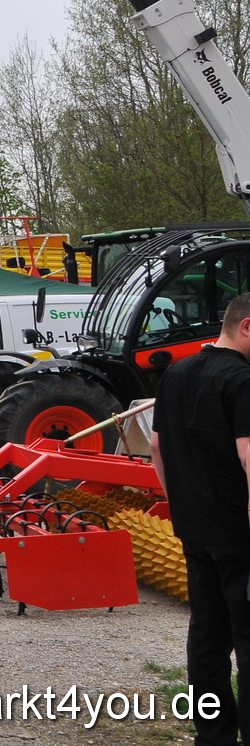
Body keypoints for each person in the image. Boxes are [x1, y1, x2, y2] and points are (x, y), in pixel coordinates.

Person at [150, 291, 250, 746]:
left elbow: (155, 447)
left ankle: (213, 736)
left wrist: (180, 502)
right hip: (239, 532)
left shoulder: (176, 373)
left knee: (207, 637)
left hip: (193, 528)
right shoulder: (243, 381)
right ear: (246, 327)